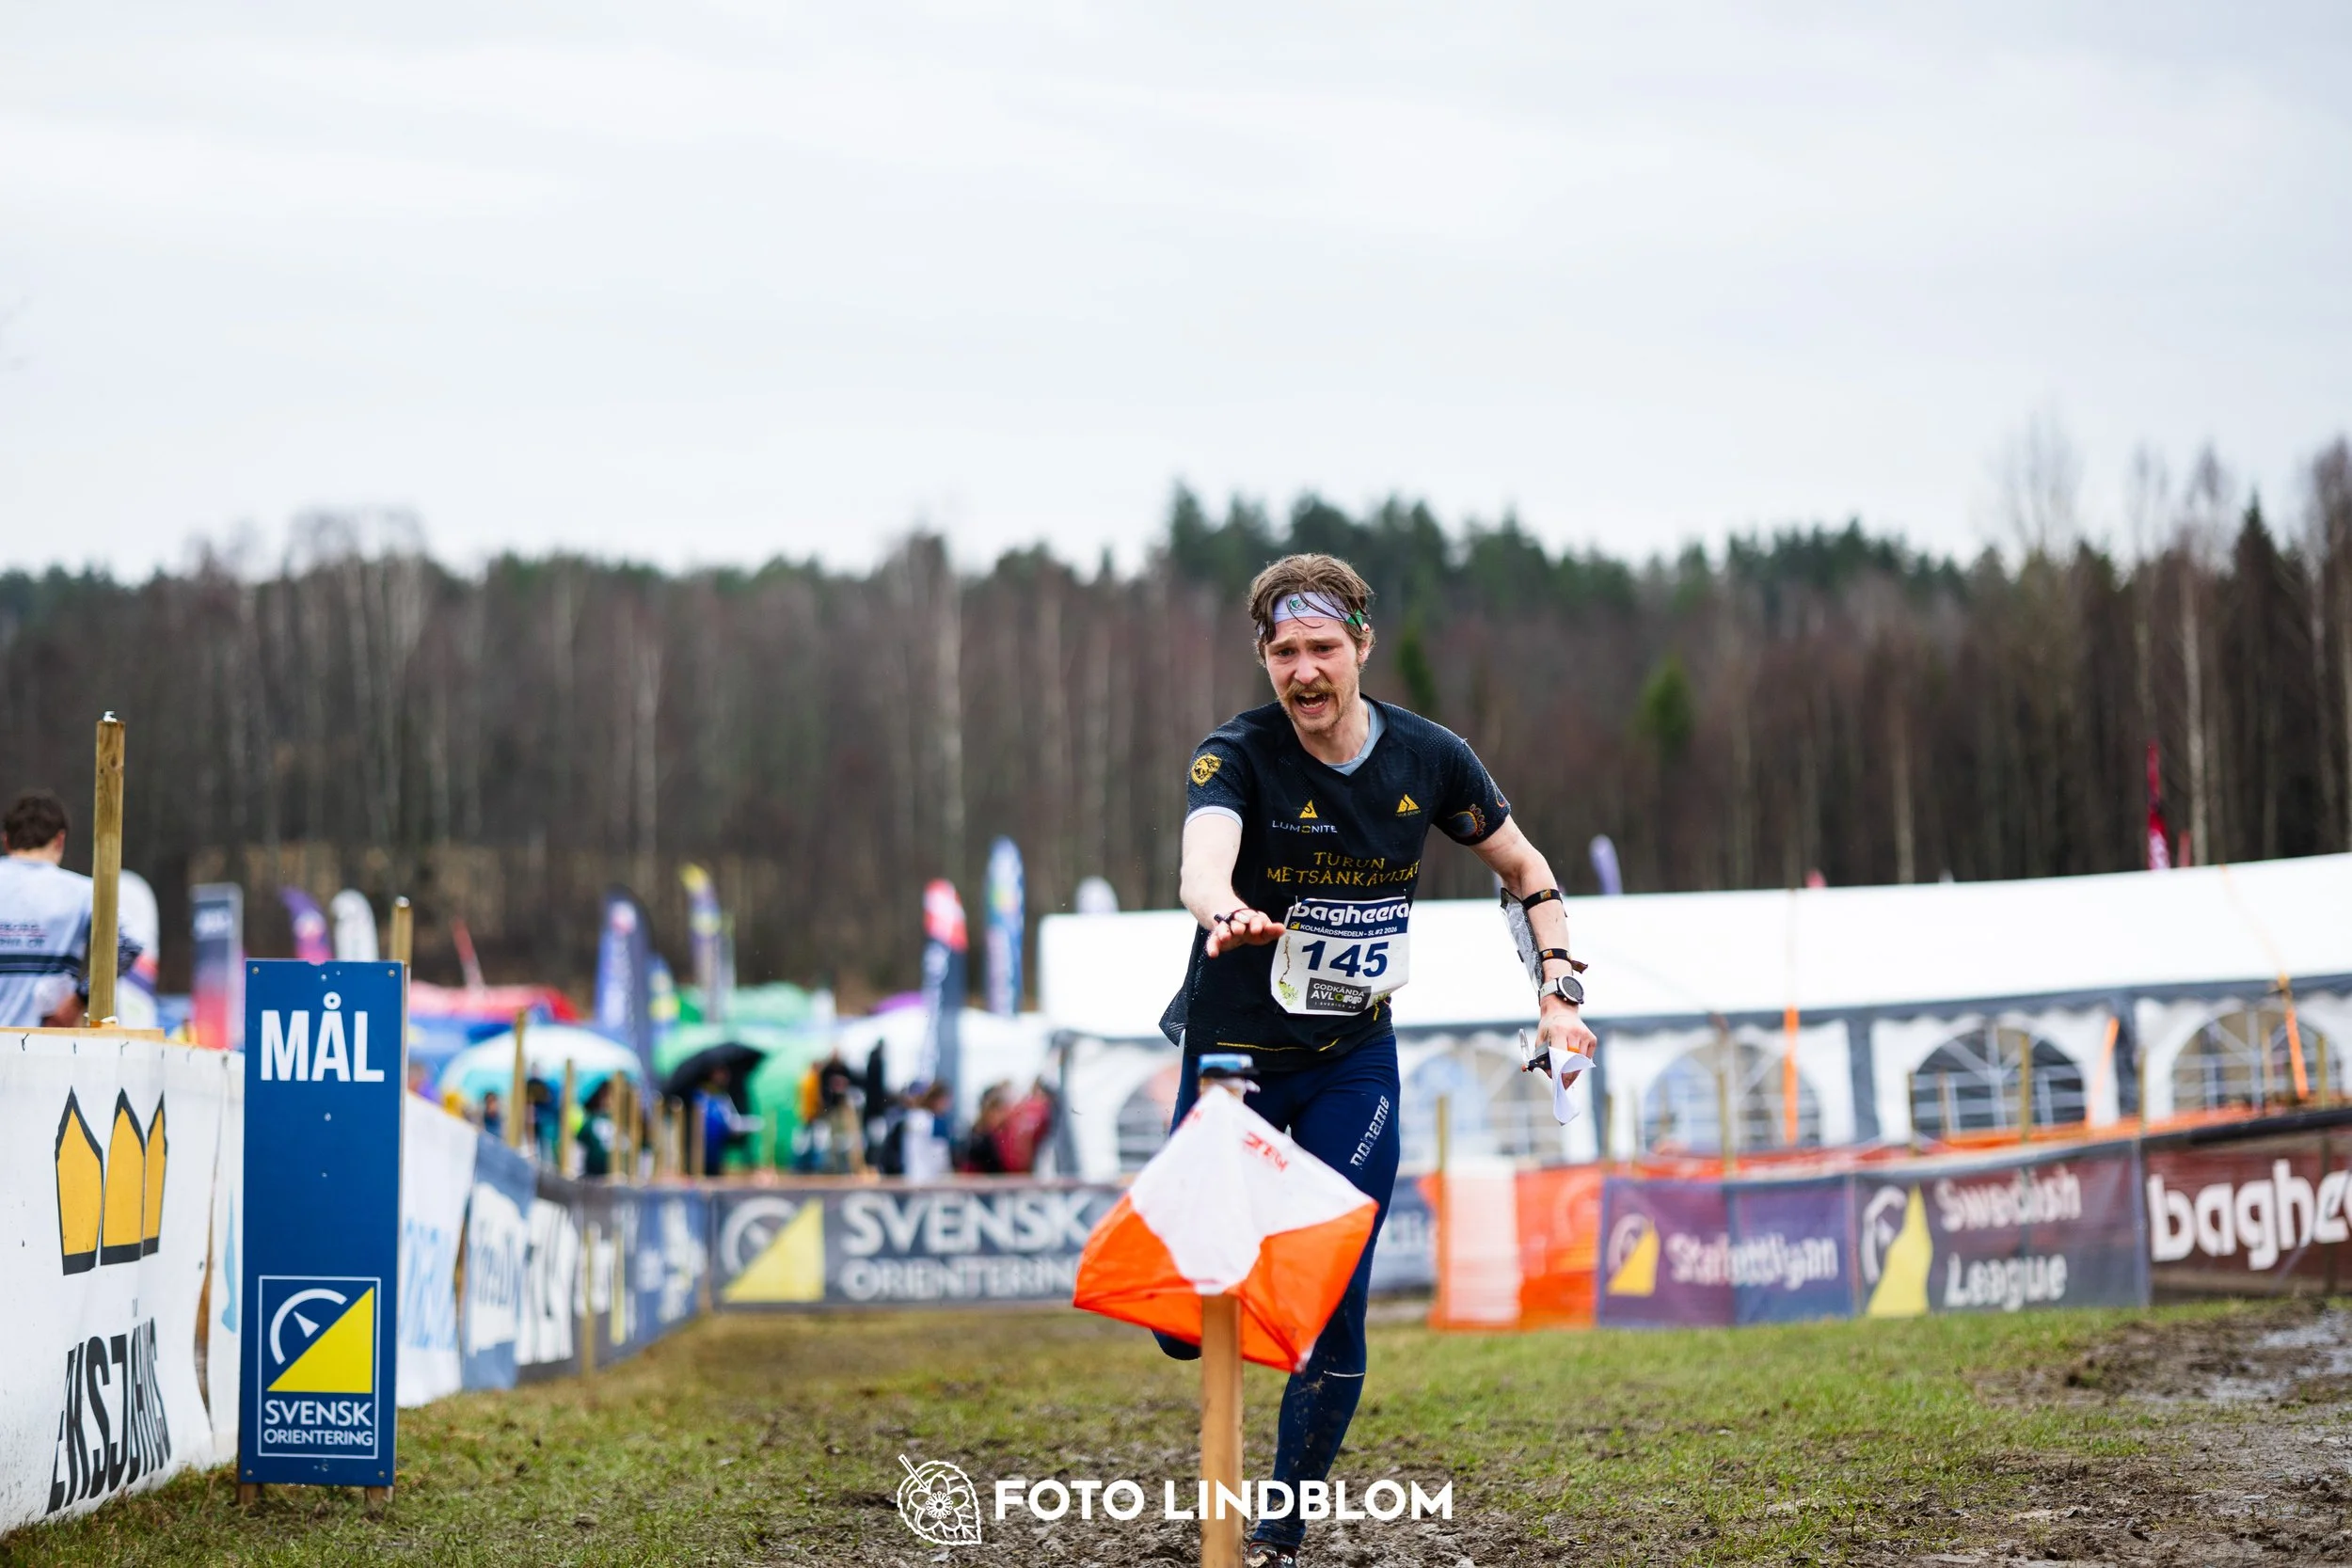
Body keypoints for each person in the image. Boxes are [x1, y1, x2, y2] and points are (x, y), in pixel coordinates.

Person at [1160, 555, 1596, 1568]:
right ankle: (1221, 1272)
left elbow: (1526, 870)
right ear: (1262, 658)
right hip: (1232, 1058)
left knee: (1335, 1283)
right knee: (1187, 1321)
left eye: (1322, 648)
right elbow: (1200, 857)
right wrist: (1221, 906)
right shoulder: (1236, 752)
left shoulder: (1430, 758)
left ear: (1361, 644)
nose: (1304, 672)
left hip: (1352, 1056)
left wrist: (1559, 987)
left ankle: (1277, 1531)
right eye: (1283, 653)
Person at [0, 790, 137, 1029]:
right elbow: (127, 947)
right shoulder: (83, 892)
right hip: (46, 1046)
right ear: (60, 840)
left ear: (6, 840)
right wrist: (77, 1000)